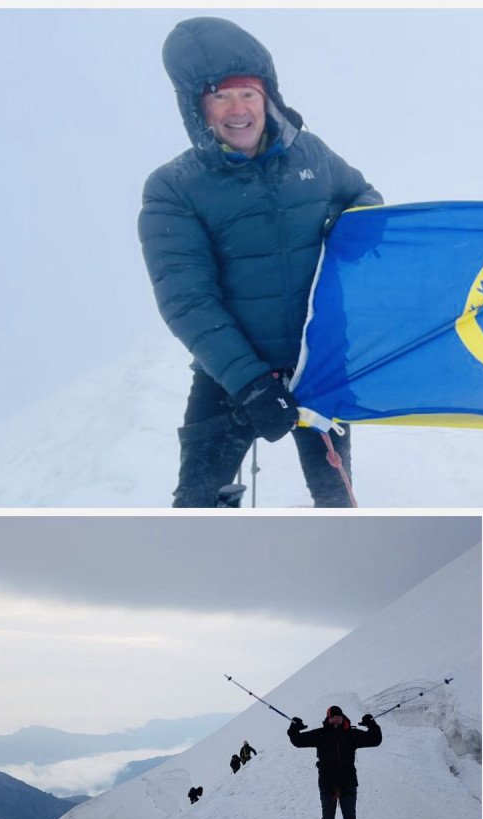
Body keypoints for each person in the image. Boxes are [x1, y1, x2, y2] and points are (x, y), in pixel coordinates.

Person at [138, 16, 383, 507]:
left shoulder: (310, 153)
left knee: (339, 503)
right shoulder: (173, 187)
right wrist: (250, 384)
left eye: (247, 94)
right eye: (219, 96)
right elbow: (187, 299)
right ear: (197, 109)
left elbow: (364, 195)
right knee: (198, 507)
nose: (237, 109)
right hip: (228, 377)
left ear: (267, 97)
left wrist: (349, 224)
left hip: (317, 367)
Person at [287, 706, 382, 819]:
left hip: (348, 783)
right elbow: (297, 741)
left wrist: (372, 725)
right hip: (327, 784)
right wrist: (294, 727)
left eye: (338, 716)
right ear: (328, 719)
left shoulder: (352, 734)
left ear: (342, 717)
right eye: (333, 717)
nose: (336, 719)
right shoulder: (321, 734)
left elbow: (375, 740)